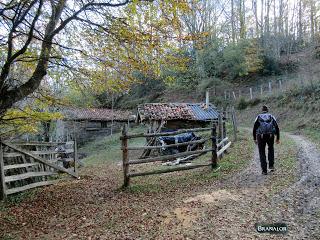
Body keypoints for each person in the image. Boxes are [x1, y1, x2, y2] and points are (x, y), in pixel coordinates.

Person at [253, 105, 280, 175]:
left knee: (261, 152)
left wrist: (254, 138)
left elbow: (254, 128)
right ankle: (271, 165)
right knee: (271, 149)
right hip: (270, 135)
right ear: (267, 110)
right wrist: (278, 138)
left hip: (260, 136)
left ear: (262, 110)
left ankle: (264, 170)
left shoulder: (258, 117)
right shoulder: (271, 116)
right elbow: (277, 127)